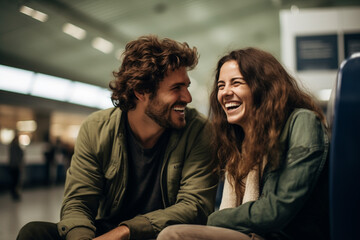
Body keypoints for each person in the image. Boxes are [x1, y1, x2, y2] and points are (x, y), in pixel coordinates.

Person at [17, 35, 218, 240]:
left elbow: (195, 206)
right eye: (177, 88)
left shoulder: (197, 130)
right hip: (108, 231)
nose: (188, 97)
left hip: (161, 234)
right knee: (34, 233)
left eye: (187, 86)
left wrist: (125, 232)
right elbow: (79, 202)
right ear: (141, 91)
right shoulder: (96, 129)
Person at [157, 47, 329, 240]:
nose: (225, 93)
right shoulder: (238, 145)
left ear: (264, 86)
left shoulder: (302, 122)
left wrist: (216, 219)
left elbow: (277, 209)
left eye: (236, 83)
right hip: (254, 235)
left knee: (174, 235)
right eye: (221, 86)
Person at [9, 134, 24, 200]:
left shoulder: (12, 147)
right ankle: (15, 194)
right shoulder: (15, 147)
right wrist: (19, 164)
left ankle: (15, 193)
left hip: (13, 166)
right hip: (15, 166)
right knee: (16, 181)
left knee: (15, 181)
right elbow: (18, 157)